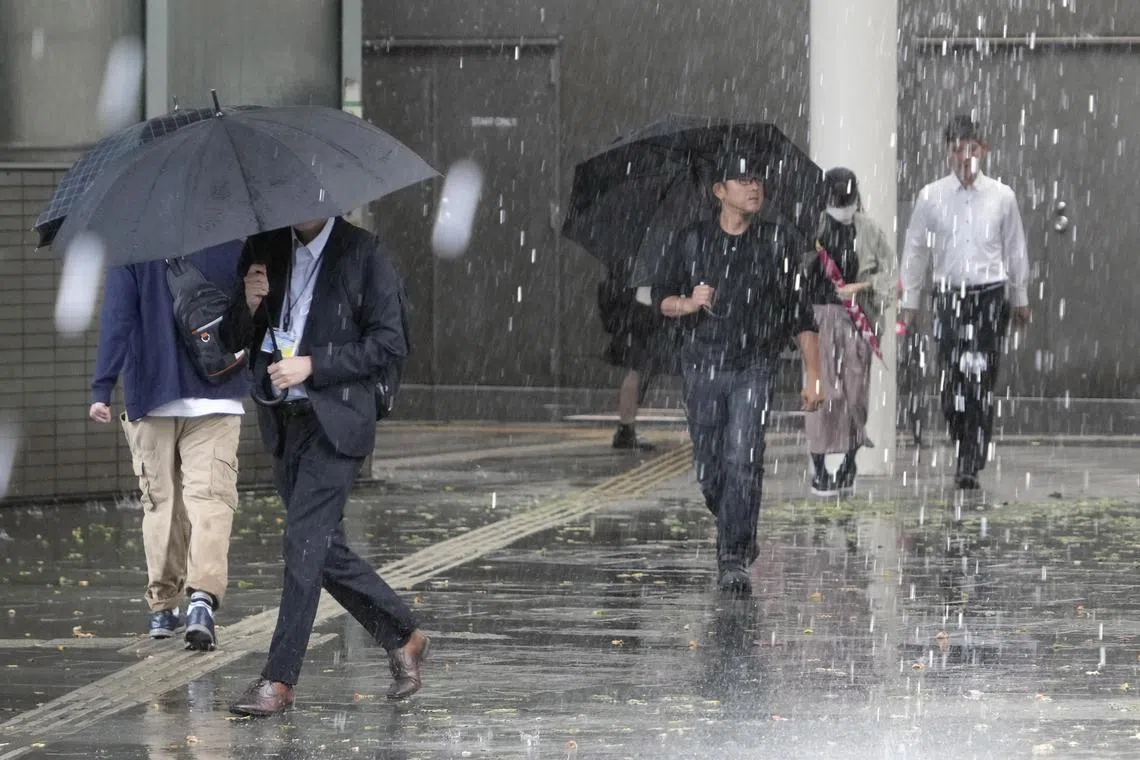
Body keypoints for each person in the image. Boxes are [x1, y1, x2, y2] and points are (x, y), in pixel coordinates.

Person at [222, 217, 429, 717]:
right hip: (285, 423)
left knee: (302, 543)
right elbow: (231, 338)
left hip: (337, 421)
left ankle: (279, 680)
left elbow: (389, 343)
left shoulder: (364, 252)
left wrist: (314, 363)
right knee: (319, 546)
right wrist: (247, 304)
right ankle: (403, 635)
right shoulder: (263, 248)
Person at [653, 156, 824, 595]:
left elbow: (800, 314)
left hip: (754, 367)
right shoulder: (691, 240)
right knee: (711, 471)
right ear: (719, 191)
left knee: (743, 460)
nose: (755, 187)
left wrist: (815, 375)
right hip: (701, 365)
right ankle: (738, 525)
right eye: (743, 180)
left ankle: (732, 556)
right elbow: (661, 300)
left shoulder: (776, 243)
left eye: (759, 179)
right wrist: (688, 303)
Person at [88, 241, 247, 650]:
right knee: (211, 498)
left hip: (152, 390)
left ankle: (163, 606)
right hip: (217, 387)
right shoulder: (231, 234)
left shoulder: (134, 241)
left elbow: (118, 317)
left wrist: (102, 388)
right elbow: (253, 312)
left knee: (161, 503)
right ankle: (201, 600)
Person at [900, 114, 1030, 491]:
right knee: (952, 378)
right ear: (947, 154)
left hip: (990, 294)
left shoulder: (1002, 197)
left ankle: (970, 460)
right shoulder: (931, 197)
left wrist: (1020, 296)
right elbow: (915, 251)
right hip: (949, 296)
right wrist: (910, 299)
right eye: (956, 150)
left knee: (981, 377)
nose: (964, 157)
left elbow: (1015, 248)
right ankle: (962, 441)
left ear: (983, 150)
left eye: (971, 149)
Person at [802, 168, 896, 496]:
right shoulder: (811, 228)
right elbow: (795, 276)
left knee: (856, 393)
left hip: (859, 318)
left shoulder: (868, 230)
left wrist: (863, 285)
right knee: (825, 393)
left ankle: (849, 461)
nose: (843, 205)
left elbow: (889, 272)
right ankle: (817, 466)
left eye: (847, 198)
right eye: (838, 198)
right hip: (820, 318)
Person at [597, 266, 667, 450]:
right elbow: (645, 295)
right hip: (640, 318)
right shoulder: (646, 256)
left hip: (630, 318)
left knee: (637, 372)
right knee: (637, 372)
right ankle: (625, 428)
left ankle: (626, 428)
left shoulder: (624, 256)